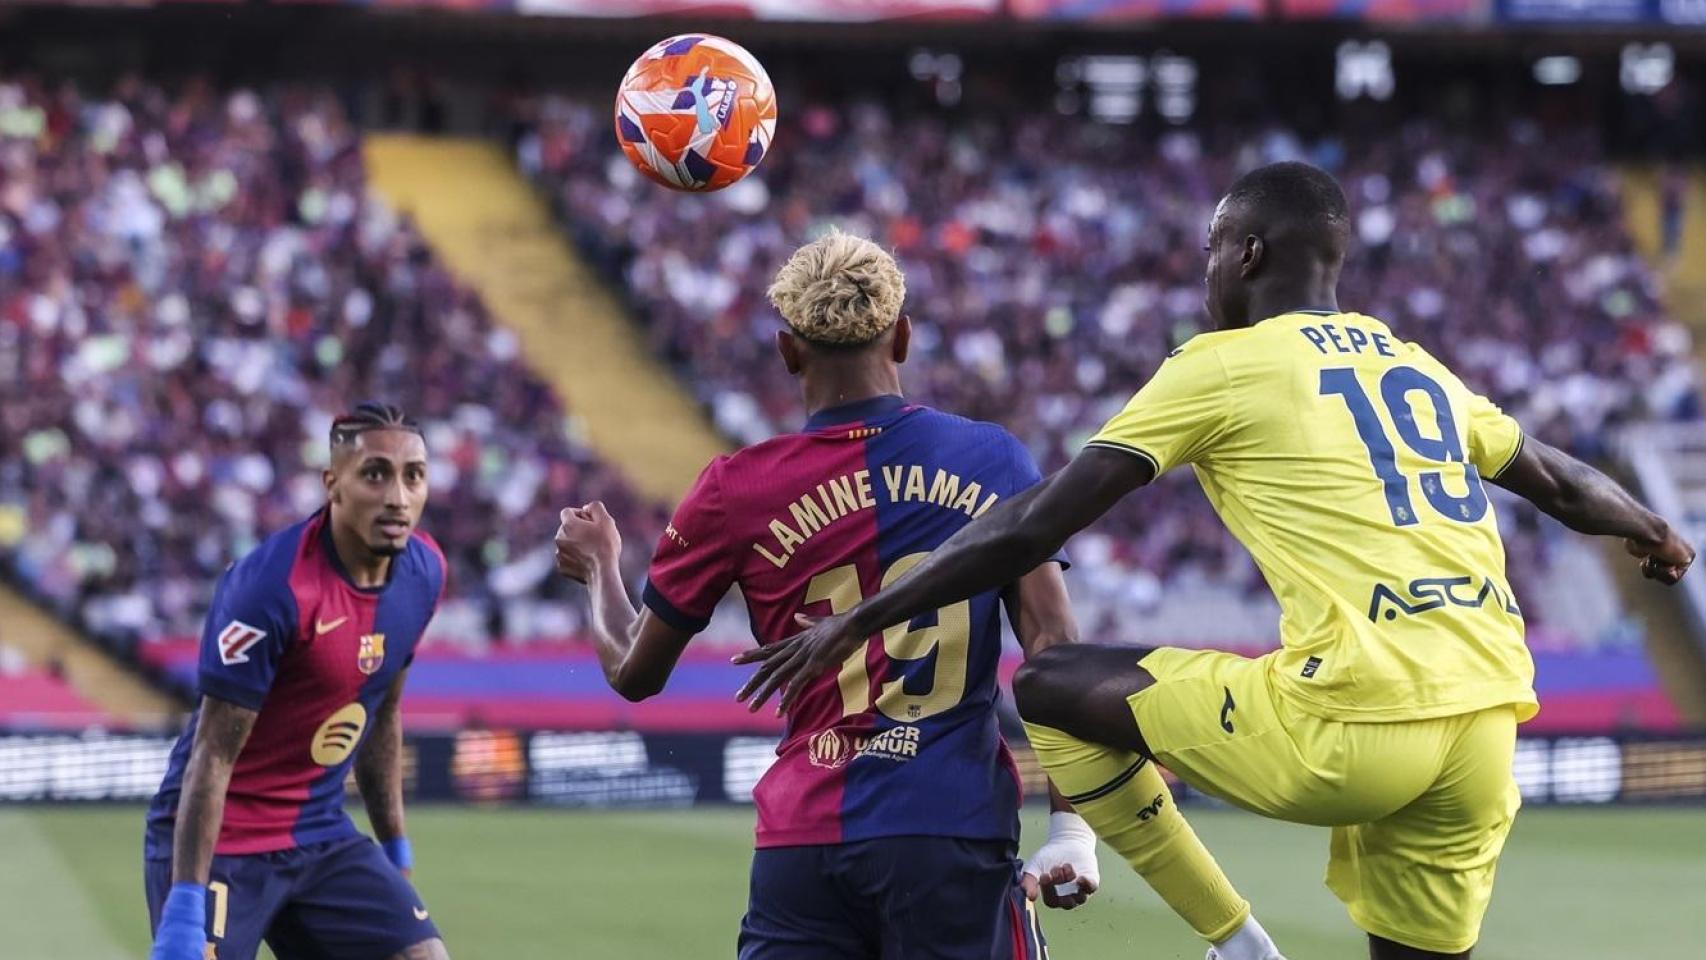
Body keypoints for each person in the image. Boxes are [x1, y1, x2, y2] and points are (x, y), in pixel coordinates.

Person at [737, 163, 1696, 960]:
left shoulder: (1221, 364)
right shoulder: (1411, 364)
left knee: (1057, 682)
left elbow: (1035, 527)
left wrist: (861, 618)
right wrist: (1651, 527)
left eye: (1211, 249)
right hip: (1487, 725)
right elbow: (1558, 479)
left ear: (1247, 255)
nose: (1205, 272)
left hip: (1356, 722)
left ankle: (1236, 942)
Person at [554, 231, 1284, 960]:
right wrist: (1070, 830)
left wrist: (602, 569)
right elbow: (1057, 653)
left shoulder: (733, 488)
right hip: (951, 835)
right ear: (902, 336)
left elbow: (634, 672)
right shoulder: (991, 458)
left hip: (804, 844)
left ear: (787, 351)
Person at [145, 402, 451, 960]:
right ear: (333, 483)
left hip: (316, 832)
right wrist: (186, 903)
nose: (398, 497)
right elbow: (212, 755)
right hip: (221, 842)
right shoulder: (271, 589)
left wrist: (396, 849)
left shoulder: (424, 573)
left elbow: (382, 714)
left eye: (414, 476)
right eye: (376, 474)